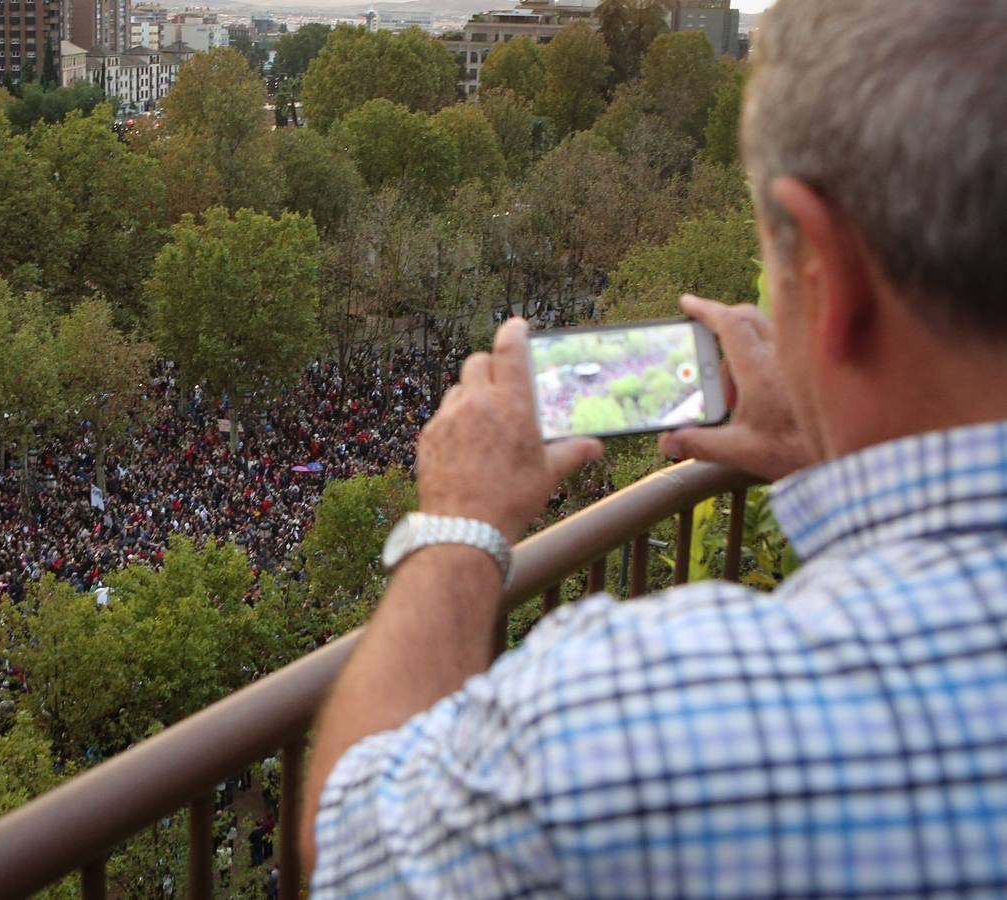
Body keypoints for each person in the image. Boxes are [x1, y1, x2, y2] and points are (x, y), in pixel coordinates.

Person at [302, 1, 1007, 896]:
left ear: (830, 275)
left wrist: (457, 524)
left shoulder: (646, 712)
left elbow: (354, 849)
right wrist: (837, 446)